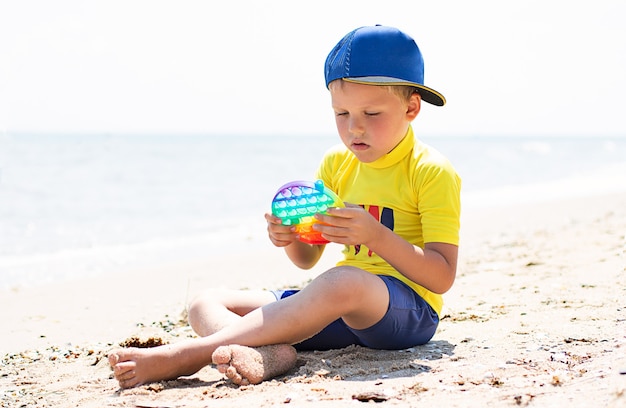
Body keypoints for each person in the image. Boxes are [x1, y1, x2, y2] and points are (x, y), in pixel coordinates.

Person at [108, 24, 461, 388]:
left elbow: (441, 276)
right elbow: (308, 260)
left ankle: (192, 355)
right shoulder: (337, 163)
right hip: (336, 306)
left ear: (411, 107)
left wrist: (377, 236)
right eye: (341, 114)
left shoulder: (430, 170)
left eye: (371, 114)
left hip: (406, 312)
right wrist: (291, 236)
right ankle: (264, 354)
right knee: (205, 302)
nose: (354, 128)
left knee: (342, 281)